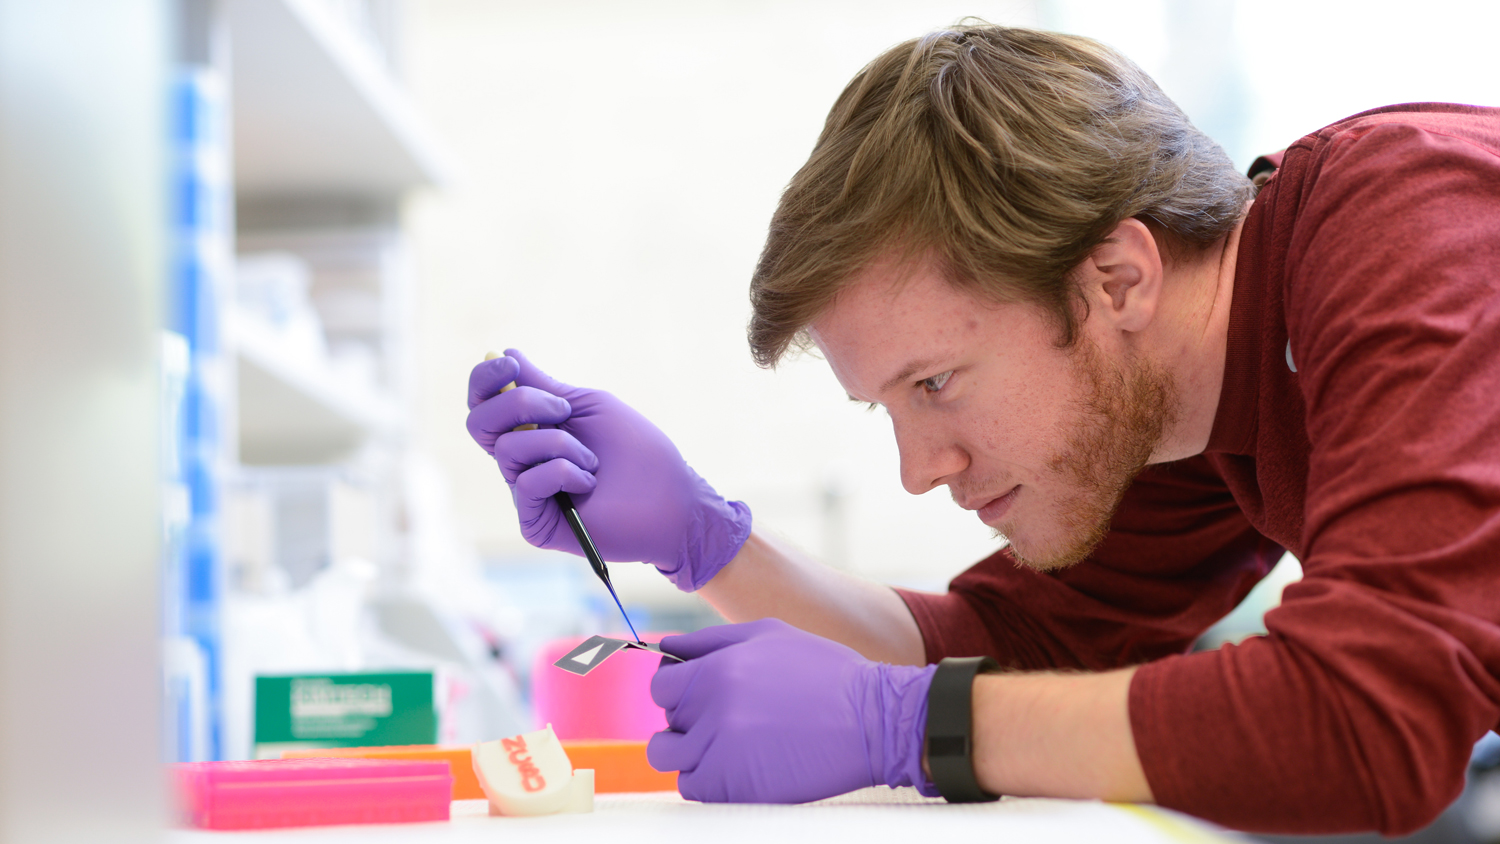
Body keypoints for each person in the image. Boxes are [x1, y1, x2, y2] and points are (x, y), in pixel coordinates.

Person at [465, 24, 1500, 836]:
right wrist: (708, 540)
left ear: (1116, 278)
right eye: (891, 407)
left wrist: (902, 729)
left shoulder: (1413, 219)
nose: (922, 470)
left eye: (938, 380)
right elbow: (1026, 653)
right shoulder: (1185, 401)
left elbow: (1368, 716)